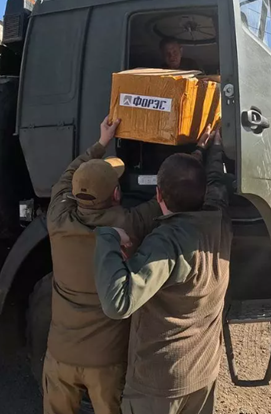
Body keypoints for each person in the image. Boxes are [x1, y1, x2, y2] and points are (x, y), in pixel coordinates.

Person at [94, 127, 231, 414]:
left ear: (157, 194)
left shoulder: (166, 243)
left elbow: (118, 302)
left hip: (161, 387)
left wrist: (108, 237)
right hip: (203, 372)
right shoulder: (219, 220)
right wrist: (208, 150)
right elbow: (216, 181)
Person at [43, 116, 162, 414]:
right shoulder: (129, 224)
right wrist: (200, 153)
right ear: (117, 194)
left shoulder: (57, 220)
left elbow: (65, 178)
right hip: (106, 362)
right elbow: (163, 201)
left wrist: (100, 143)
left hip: (60, 355)